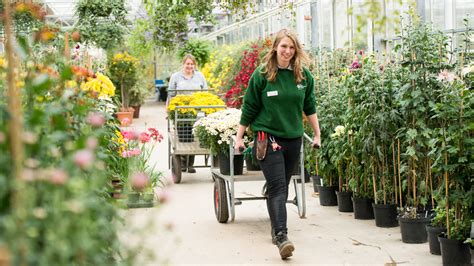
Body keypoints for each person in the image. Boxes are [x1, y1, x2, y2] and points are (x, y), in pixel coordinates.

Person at [234, 29, 321, 260]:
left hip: (293, 138)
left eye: (292, 48)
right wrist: (239, 137)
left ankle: (274, 213)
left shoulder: (303, 76)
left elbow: (309, 107)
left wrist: (317, 134)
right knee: (280, 188)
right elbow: (249, 107)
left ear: (296, 50)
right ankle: (282, 236)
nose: (288, 51)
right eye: (284, 46)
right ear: (275, 48)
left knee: (280, 186)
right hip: (267, 137)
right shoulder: (262, 75)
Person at [168, 54, 208, 173]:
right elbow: (171, 94)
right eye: (187, 64)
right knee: (183, 137)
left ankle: (190, 164)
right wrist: (170, 108)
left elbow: (205, 91)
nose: (189, 66)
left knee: (194, 135)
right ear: (183, 64)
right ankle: (182, 163)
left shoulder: (199, 76)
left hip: (196, 110)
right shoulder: (176, 76)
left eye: (191, 64)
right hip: (181, 111)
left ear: (194, 65)